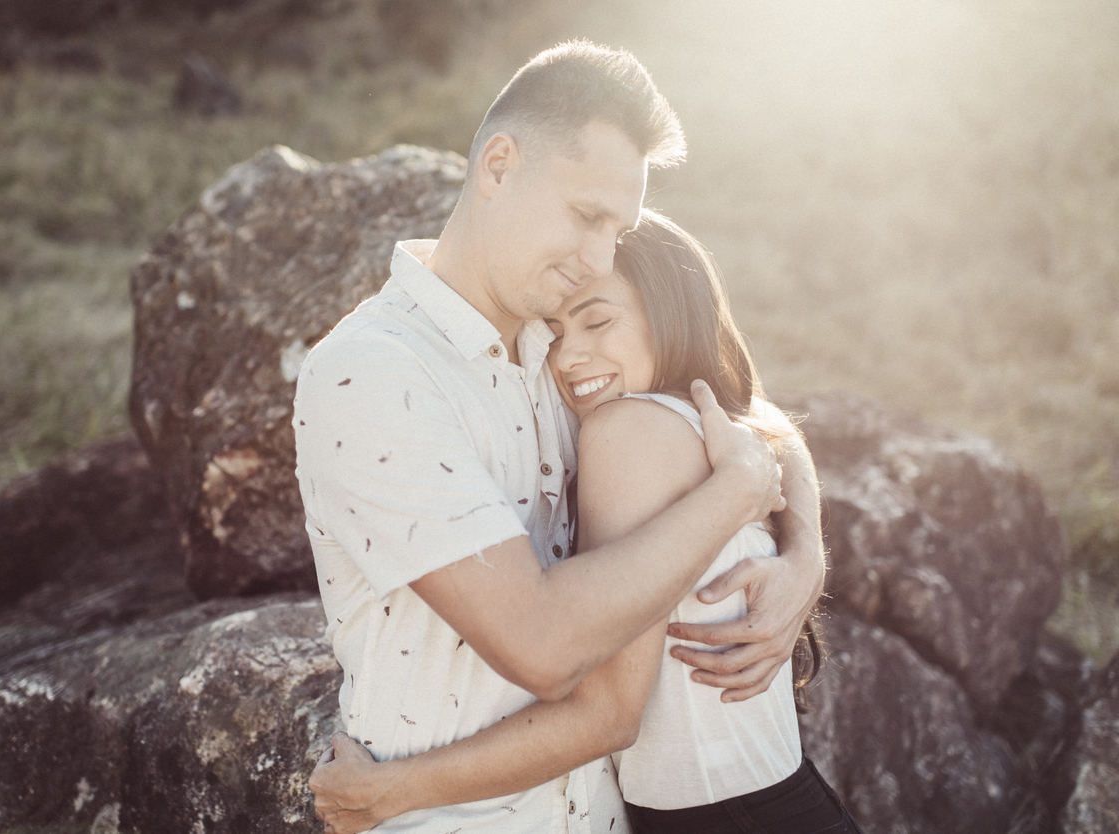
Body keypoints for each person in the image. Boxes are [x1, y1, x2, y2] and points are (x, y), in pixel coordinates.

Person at [293, 40, 825, 833]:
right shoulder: (373, 374)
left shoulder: (562, 350)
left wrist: (805, 552)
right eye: (586, 217)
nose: (599, 257)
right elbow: (541, 645)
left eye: (619, 229)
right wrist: (735, 497)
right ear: (498, 166)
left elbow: (740, 409)